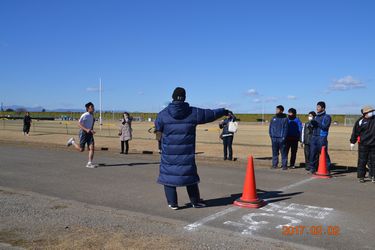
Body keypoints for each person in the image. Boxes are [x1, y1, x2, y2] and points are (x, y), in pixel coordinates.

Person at [155, 87, 229, 210]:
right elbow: (209, 114)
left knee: (168, 176)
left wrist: (160, 144)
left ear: (172, 97)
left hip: (169, 153)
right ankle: (195, 202)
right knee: (190, 176)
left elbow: (158, 132)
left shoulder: (162, 114)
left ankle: (172, 203)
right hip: (186, 153)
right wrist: (223, 111)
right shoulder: (192, 112)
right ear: (184, 97)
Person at [66, 102, 97, 168]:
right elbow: (79, 124)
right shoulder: (85, 115)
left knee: (92, 148)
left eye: (93, 107)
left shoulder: (92, 116)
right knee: (81, 149)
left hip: (89, 134)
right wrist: (86, 130)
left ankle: (89, 163)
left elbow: (90, 126)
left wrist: (91, 130)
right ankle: (72, 142)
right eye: (92, 107)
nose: (93, 108)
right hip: (83, 133)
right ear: (88, 108)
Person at [350, 106, 375, 183]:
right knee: (362, 161)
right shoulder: (360, 121)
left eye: (372, 111)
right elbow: (355, 132)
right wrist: (352, 142)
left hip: (374, 144)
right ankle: (361, 176)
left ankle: (373, 176)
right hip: (363, 144)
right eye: (370, 112)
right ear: (365, 113)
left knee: (373, 161)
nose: (372, 113)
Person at [309, 101, 331, 174]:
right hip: (314, 137)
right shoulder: (315, 117)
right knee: (312, 153)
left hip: (322, 137)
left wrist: (317, 123)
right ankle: (312, 168)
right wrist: (311, 125)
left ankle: (327, 169)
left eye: (318, 107)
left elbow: (325, 127)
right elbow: (313, 127)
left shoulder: (327, 117)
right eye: (317, 106)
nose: (317, 108)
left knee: (324, 153)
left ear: (323, 108)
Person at [269, 105, 289, 170]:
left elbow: (286, 129)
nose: (276, 110)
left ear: (281, 110)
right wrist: (271, 136)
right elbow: (270, 128)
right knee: (275, 152)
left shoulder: (285, 119)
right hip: (274, 138)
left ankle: (284, 165)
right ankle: (274, 165)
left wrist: (283, 137)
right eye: (276, 109)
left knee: (283, 153)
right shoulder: (273, 118)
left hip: (281, 138)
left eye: (278, 109)